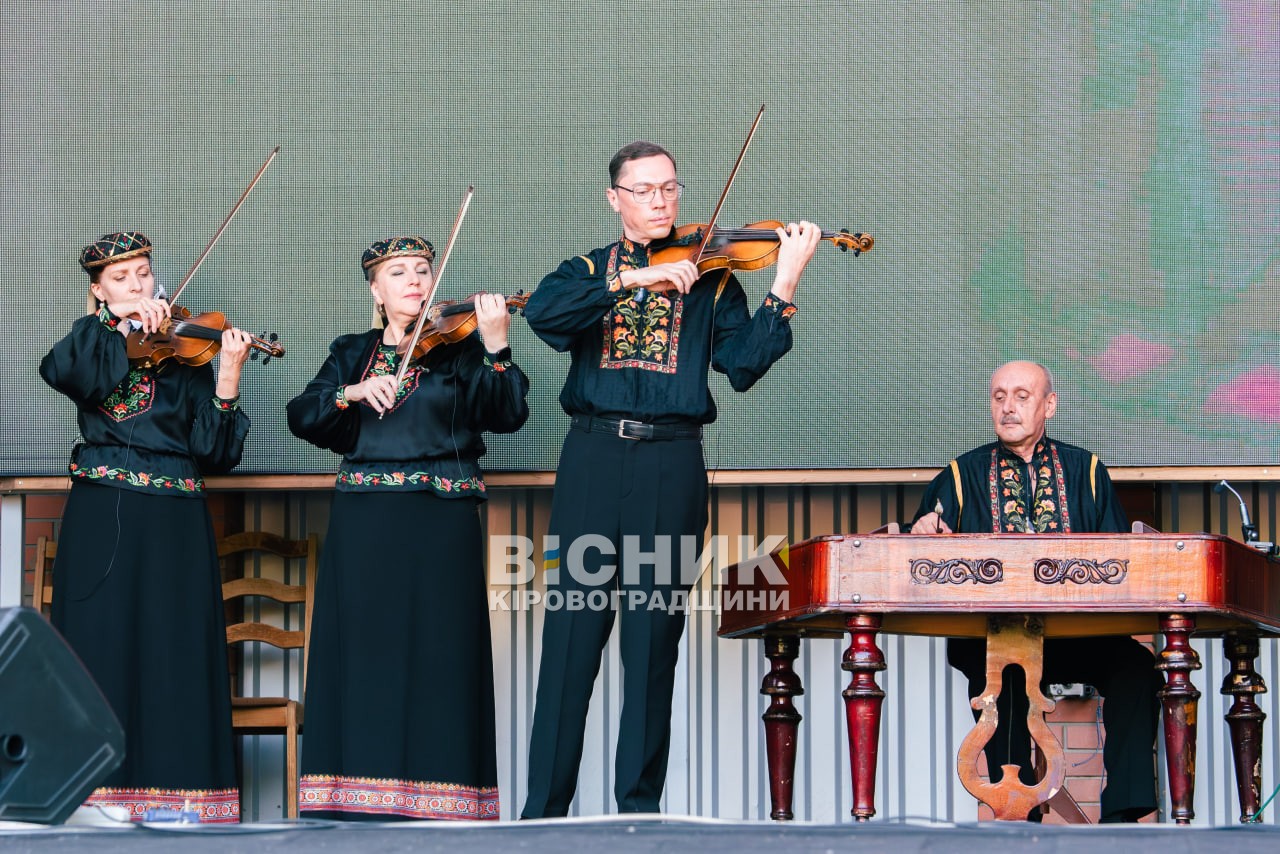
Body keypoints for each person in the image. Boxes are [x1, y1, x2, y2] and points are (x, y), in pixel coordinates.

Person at [520, 141, 821, 817]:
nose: (659, 202)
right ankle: (541, 817)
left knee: (653, 647)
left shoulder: (713, 276)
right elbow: (544, 314)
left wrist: (785, 283)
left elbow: (741, 367)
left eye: (669, 189)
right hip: (592, 462)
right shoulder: (588, 271)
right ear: (614, 199)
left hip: (672, 464)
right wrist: (630, 282)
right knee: (571, 640)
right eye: (644, 190)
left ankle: (637, 814)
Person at [287, 236, 528, 821]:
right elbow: (305, 415)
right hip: (364, 523)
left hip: (439, 520)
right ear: (376, 289)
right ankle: (355, 805)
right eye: (399, 273)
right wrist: (352, 391)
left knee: (439, 659)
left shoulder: (460, 345)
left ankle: (441, 805)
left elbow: (507, 414)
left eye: (423, 270)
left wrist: (496, 345)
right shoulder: (352, 351)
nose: (415, 280)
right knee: (364, 658)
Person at [39, 231, 252, 822]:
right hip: (102, 512)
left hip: (175, 520)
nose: (138, 285)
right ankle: (92, 799)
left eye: (143, 273)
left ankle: (182, 802)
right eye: (121, 278)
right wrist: (119, 325)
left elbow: (214, 452)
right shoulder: (91, 339)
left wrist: (228, 377)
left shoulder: (184, 349)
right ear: (99, 292)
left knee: (175, 651)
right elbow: (66, 373)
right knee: (98, 647)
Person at [909, 360, 1161, 823]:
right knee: (1004, 679)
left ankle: (1123, 814)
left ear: (1049, 405)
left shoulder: (1085, 470)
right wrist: (925, 528)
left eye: (1021, 396)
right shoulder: (962, 475)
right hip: (992, 639)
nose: (1007, 407)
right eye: (998, 396)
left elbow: (1120, 561)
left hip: (1078, 638)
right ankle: (1017, 812)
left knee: (1138, 667)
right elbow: (921, 550)